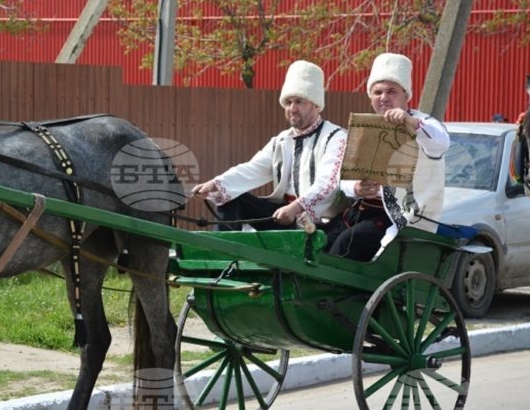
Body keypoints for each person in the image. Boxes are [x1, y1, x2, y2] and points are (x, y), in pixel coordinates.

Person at [192, 60, 347, 230]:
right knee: (230, 196)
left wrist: (295, 208)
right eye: (288, 102)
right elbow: (252, 169)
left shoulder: (335, 137)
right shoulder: (282, 140)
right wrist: (214, 184)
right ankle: (222, 252)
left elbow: (327, 185)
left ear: (316, 105)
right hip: (284, 215)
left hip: (317, 222)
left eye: (299, 101)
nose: (292, 108)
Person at [327, 53, 450, 261]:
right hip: (362, 211)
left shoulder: (421, 122)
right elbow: (343, 176)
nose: (384, 97)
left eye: (391, 91)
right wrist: (356, 188)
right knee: (320, 239)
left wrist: (410, 122)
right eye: (378, 92)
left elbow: (441, 142)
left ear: (406, 96)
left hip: (401, 217)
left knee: (346, 243)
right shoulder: (366, 127)